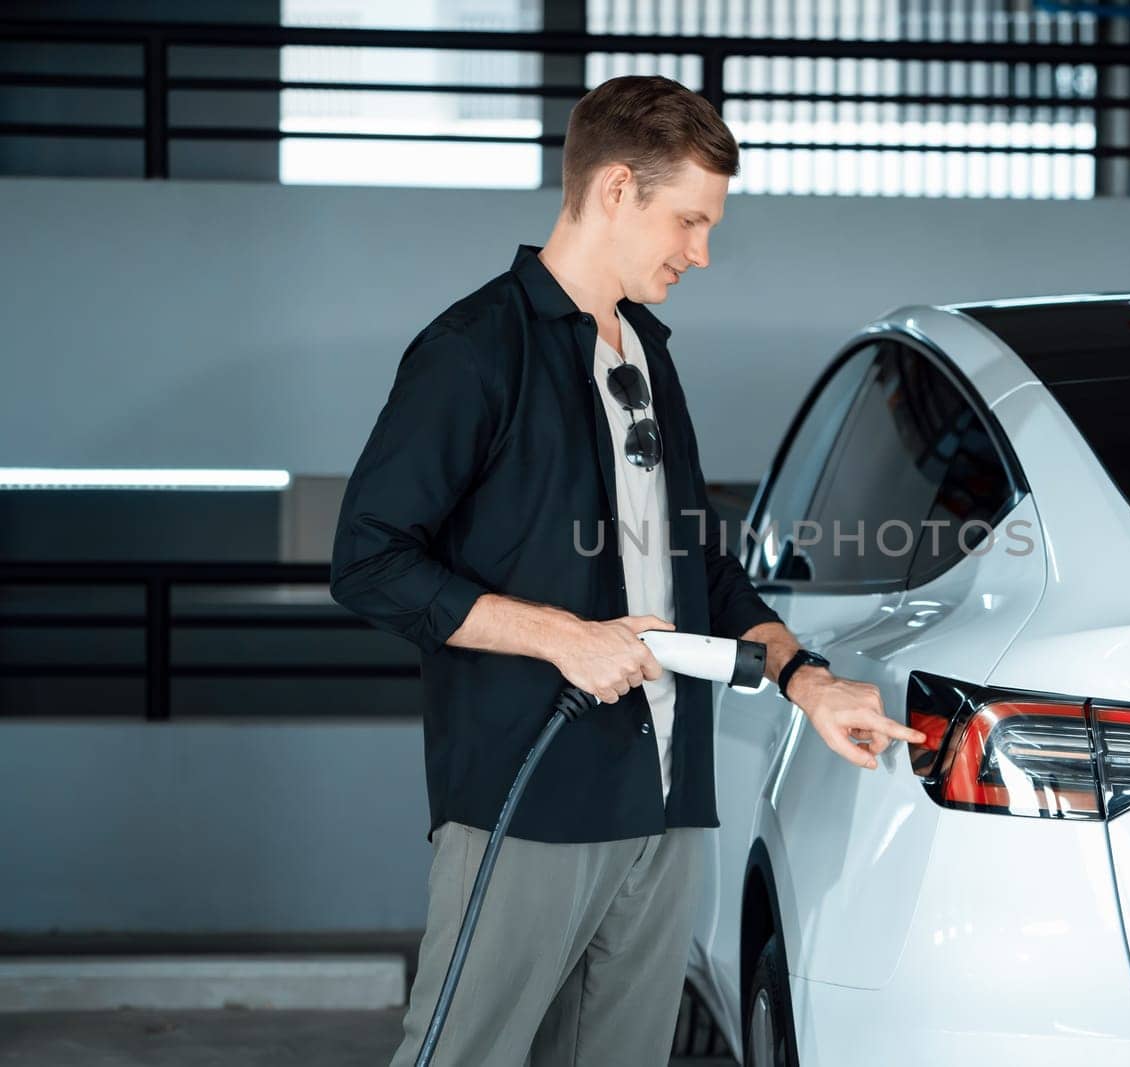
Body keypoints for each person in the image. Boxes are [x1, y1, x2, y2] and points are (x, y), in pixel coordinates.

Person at [329, 74, 924, 1067]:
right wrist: (564, 637)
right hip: (527, 796)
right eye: (688, 220)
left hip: (665, 803)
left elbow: (698, 565)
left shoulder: (645, 351)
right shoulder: (476, 351)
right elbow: (370, 560)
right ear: (615, 190)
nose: (700, 251)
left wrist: (805, 680)